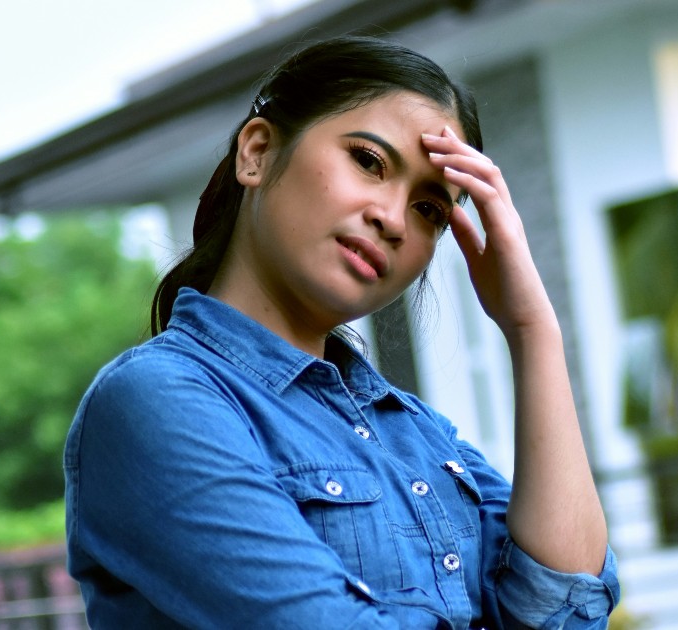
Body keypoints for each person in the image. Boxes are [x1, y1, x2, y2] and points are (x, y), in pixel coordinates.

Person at [63, 35, 618, 629]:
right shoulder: (158, 402)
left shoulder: (418, 435)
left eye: (429, 209)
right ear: (257, 152)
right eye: (369, 161)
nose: (392, 218)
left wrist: (533, 330)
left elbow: (564, 610)